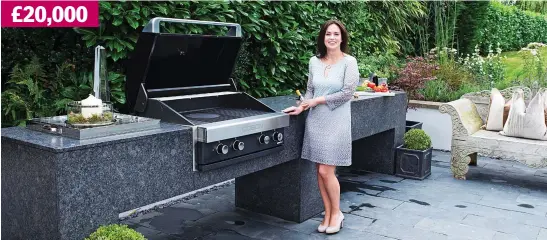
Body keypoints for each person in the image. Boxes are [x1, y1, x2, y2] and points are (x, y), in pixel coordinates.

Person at [283, 19, 359, 234]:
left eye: (336, 34)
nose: (332, 38)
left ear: (342, 38)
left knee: (327, 170)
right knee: (319, 170)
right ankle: (327, 213)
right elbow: (309, 90)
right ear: (323, 38)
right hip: (316, 120)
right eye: (328, 34)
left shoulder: (349, 62)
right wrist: (301, 107)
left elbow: (346, 93)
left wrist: (317, 101)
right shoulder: (314, 62)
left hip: (337, 121)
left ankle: (337, 213)